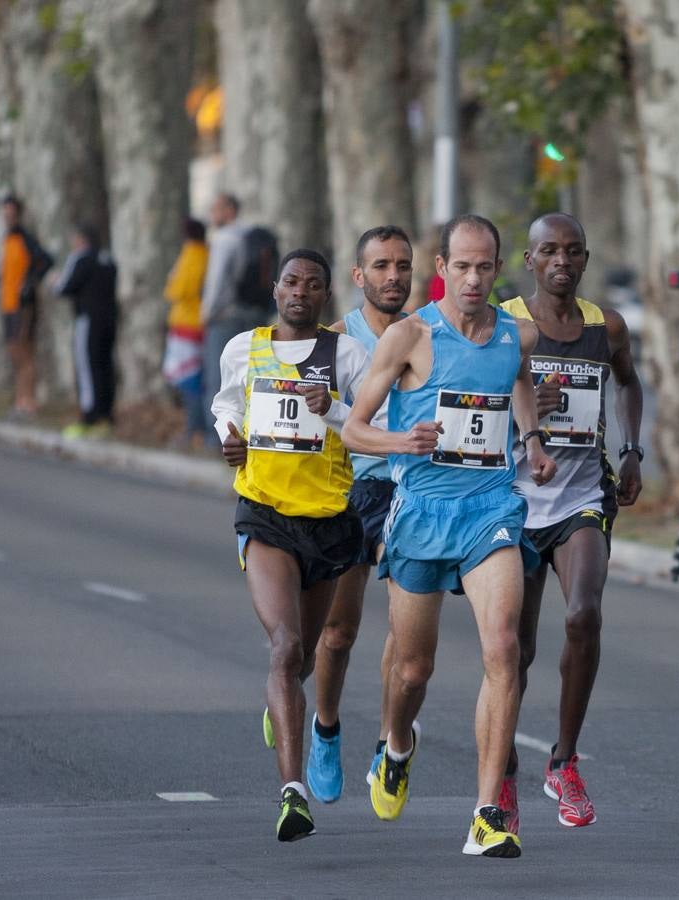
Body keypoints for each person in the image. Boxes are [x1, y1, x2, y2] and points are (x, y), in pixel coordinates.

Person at [343, 214, 556, 859]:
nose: (472, 278)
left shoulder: (515, 336)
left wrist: (533, 440)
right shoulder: (410, 337)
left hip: (490, 509)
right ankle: (398, 743)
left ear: (498, 270)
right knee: (413, 668)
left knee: (504, 648)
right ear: (442, 268)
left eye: (484, 267)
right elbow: (353, 429)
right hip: (422, 513)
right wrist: (401, 440)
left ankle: (489, 811)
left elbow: (517, 384)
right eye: (460, 266)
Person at [211, 249, 370, 842]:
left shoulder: (345, 356)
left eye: (313, 285)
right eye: (290, 281)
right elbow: (228, 401)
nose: (300, 291)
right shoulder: (243, 348)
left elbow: (369, 426)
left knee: (302, 659)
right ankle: (292, 792)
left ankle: (284, 704)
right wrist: (229, 434)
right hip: (266, 514)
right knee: (283, 647)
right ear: (275, 289)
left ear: (325, 296)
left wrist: (335, 412)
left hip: (327, 522)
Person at [497, 213, 644, 832]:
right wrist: (522, 412)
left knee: (584, 615)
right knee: (513, 651)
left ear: (586, 259)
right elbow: (463, 401)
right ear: (529, 260)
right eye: (549, 251)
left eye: (574, 251)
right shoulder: (502, 323)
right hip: (508, 499)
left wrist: (633, 450)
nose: (562, 260)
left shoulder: (605, 326)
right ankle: (501, 773)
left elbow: (630, 384)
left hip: (581, 495)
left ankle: (563, 760)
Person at [305, 225, 412, 804]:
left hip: (412, 491)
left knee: (405, 626)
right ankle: (325, 726)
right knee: (340, 631)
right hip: (350, 492)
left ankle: (387, 742)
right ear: (358, 276)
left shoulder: (427, 334)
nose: (393, 276)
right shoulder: (335, 340)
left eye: (402, 265)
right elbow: (307, 422)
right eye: (381, 266)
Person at [201, 193, 265, 429]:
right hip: (254, 315)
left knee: (219, 378)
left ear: (229, 210)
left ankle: (216, 436)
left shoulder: (224, 238)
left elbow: (216, 281)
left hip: (225, 317)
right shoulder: (252, 235)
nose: (212, 215)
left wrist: (206, 314)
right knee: (250, 376)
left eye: (215, 209)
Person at [56, 224, 118, 439]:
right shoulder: (108, 259)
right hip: (110, 320)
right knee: (105, 366)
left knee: (87, 367)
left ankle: (89, 417)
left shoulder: (81, 258)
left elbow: (63, 287)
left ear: (82, 240)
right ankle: (107, 416)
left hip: (88, 320)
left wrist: (54, 280)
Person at [0, 195, 51, 419]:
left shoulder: (26, 238)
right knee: (14, 353)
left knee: (25, 352)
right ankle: (20, 400)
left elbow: (46, 260)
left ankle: (29, 402)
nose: (8, 216)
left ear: (18, 214)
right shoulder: (7, 238)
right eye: (5, 213)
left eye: (11, 213)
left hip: (23, 306)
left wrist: (29, 283)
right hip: (7, 303)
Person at [162, 218, 209, 449]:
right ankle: (194, 428)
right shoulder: (204, 253)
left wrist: (171, 284)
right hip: (193, 323)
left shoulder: (193, 254)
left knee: (189, 379)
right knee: (192, 378)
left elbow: (178, 289)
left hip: (188, 324)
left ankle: (195, 429)